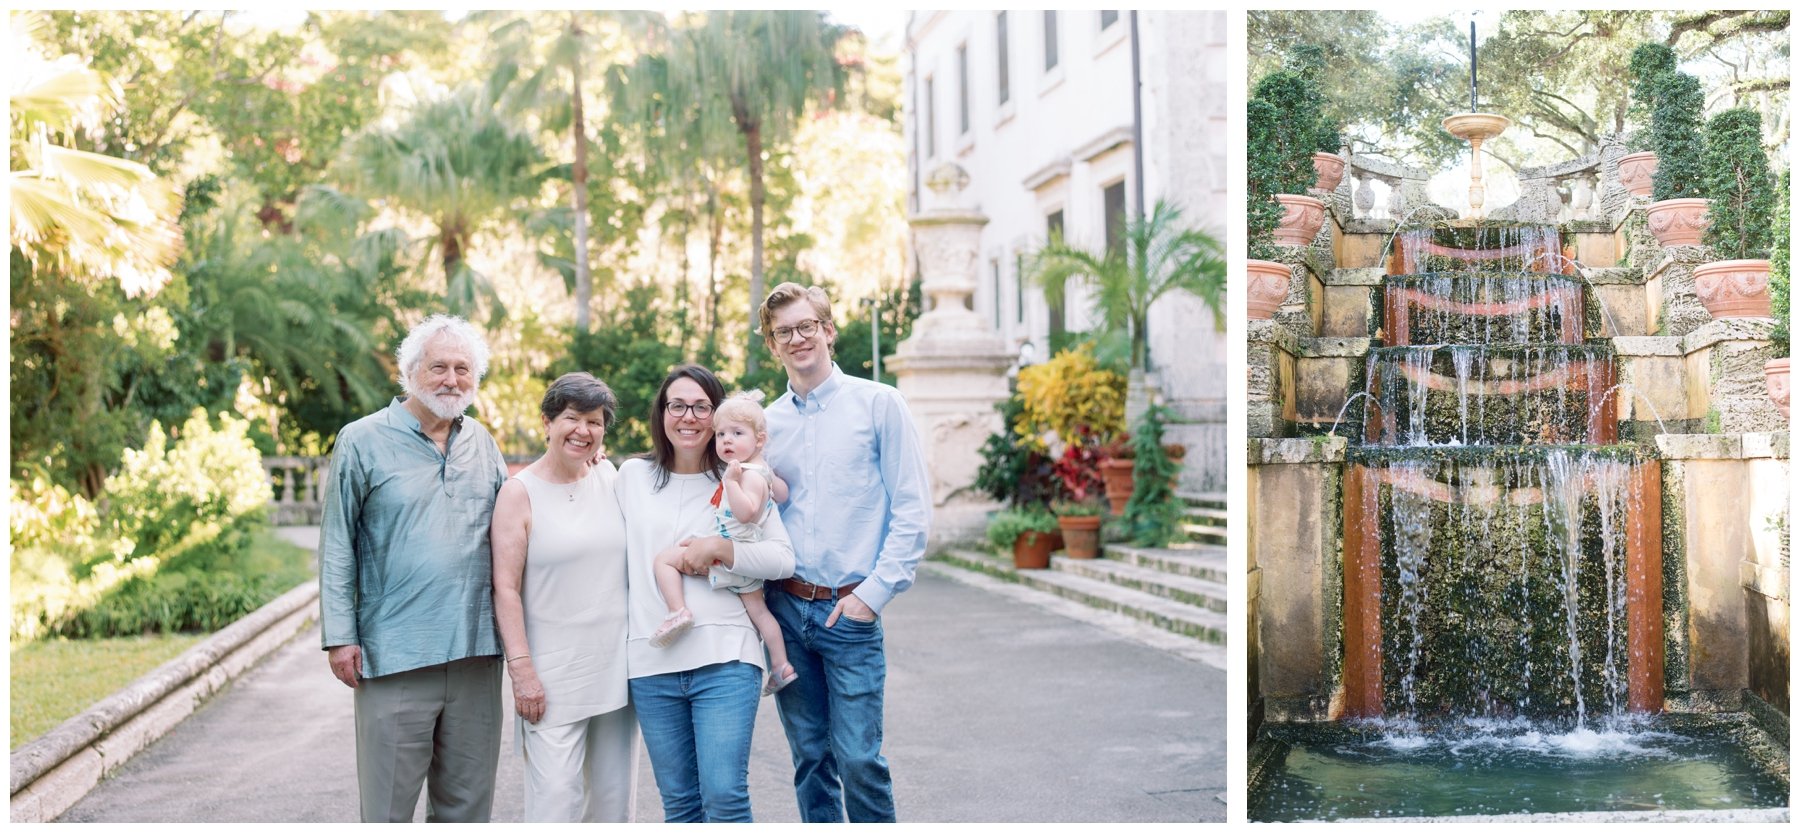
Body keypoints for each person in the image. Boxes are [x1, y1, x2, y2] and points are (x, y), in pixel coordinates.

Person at [318, 314, 509, 822]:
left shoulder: (483, 444)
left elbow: (518, 527)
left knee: (468, 811)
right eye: (439, 367)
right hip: (394, 654)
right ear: (410, 372)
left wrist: (581, 470)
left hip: (479, 653)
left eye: (463, 369)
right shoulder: (361, 439)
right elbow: (338, 541)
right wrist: (340, 635)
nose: (452, 379)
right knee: (386, 812)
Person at [758, 283, 932, 822]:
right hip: (787, 609)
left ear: (828, 331)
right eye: (784, 332)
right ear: (773, 345)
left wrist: (871, 598)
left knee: (859, 759)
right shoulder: (768, 424)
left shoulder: (879, 404)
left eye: (807, 326)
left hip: (850, 611)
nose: (797, 338)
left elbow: (912, 510)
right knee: (811, 758)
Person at [619, 365, 797, 822]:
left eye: (702, 407)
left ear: (717, 417)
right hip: (652, 661)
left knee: (724, 798)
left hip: (725, 659)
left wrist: (722, 548)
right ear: (662, 413)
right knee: (680, 806)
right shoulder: (630, 477)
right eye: (677, 405)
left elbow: (782, 560)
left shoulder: (741, 481)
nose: (689, 417)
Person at [489, 373, 639, 822]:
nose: (584, 431)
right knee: (554, 805)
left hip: (616, 670)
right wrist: (522, 671)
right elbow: (505, 589)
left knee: (613, 808)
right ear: (547, 422)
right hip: (552, 678)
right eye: (572, 418)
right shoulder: (519, 493)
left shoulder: (610, 476)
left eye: (595, 422)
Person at [648, 390, 799, 697]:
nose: (726, 441)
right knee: (760, 614)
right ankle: (781, 666)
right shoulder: (760, 471)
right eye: (720, 435)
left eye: (737, 433)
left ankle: (678, 611)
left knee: (664, 560)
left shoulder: (747, 477)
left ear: (759, 440)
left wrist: (731, 483)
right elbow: (782, 494)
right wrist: (769, 475)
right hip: (739, 552)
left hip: (736, 553)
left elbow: (745, 514)